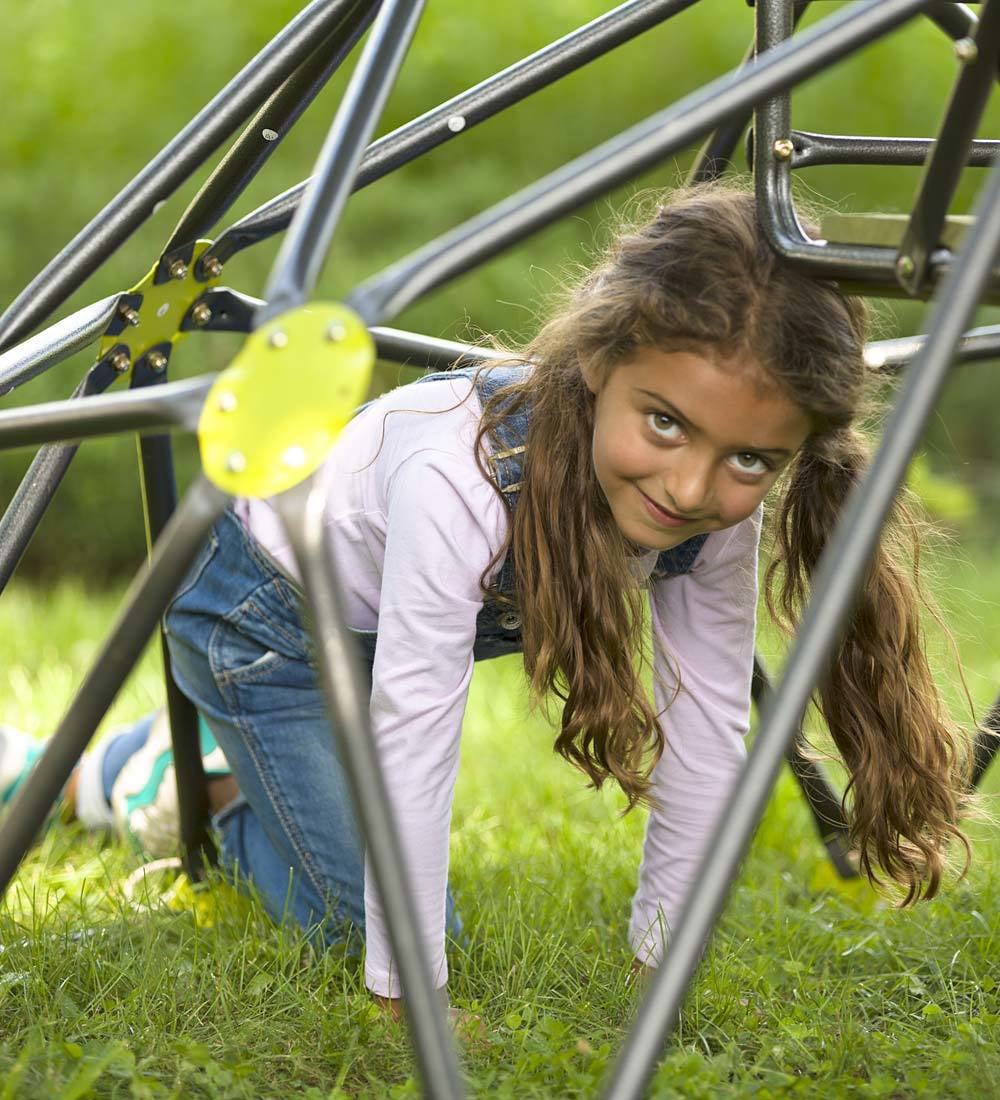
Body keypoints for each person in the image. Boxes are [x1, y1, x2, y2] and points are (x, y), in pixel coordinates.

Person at [0, 185, 973, 1019]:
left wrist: (657, 958)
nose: (690, 486)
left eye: (749, 458)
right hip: (263, 622)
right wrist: (406, 995)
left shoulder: (710, 503)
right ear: (599, 363)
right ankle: (156, 783)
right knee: (366, 926)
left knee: (390, 890)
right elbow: (414, 735)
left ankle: (223, 765)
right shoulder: (457, 481)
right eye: (665, 422)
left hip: (376, 627)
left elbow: (710, 723)